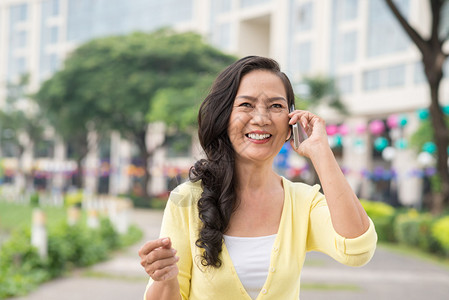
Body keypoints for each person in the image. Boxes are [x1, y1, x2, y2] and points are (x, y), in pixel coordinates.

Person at [138, 56, 377, 300]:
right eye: (246, 105)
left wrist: (321, 152)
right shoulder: (187, 199)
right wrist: (164, 278)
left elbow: (357, 250)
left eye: (276, 106)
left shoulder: (303, 202)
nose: (262, 119)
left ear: (290, 122)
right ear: (224, 117)